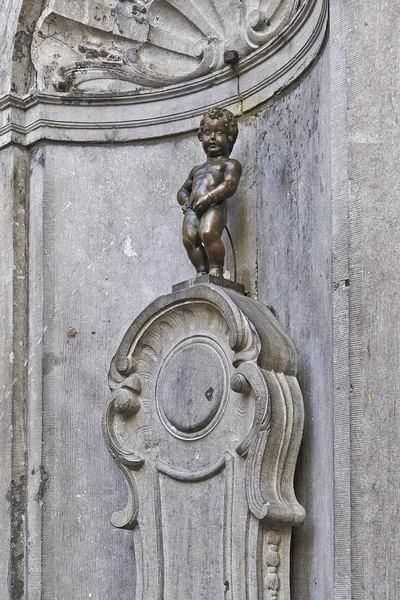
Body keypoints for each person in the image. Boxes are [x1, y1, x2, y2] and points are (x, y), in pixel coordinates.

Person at [177, 107, 242, 277]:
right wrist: (185, 201)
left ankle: (216, 269)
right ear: (200, 137)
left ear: (230, 137)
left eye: (219, 133)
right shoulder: (196, 169)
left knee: (208, 233)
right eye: (207, 133)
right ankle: (201, 271)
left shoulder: (230, 164)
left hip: (214, 205)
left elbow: (229, 185)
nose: (212, 138)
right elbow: (183, 190)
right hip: (193, 208)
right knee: (189, 238)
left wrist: (208, 199)